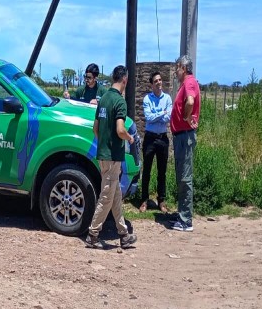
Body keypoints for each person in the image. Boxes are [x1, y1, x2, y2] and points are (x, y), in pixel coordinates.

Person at [86, 65, 138, 249]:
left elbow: (95, 129)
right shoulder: (119, 101)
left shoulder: (104, 99)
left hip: (102, 156)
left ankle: (123, 234)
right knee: (106, 196)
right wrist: (129, 138)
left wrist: (105, 143)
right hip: (113, 157)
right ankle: (93, 234)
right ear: (124, 80)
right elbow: (120, 129)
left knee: (115, 195)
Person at [170, 55, 201, 232]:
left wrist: (186, 116)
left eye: (177, 67)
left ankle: (185, 220)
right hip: (181, 136)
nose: (175, 71)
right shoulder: (187, 83)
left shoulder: (189, 82)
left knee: (185, 177)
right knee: (182, 175)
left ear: (183, 67)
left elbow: (190, 101)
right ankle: (183, 213)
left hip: (184, 136)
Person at [140, 71, 172, 212]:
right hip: (150, 138)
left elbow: (168, 118)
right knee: (146, 170)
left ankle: (161, 200)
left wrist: (158, 115)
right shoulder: (147, 99)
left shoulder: (168, 98)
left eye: (160, 80)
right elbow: (148, 118)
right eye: (156, 81)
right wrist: (162, 113)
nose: (159, 83)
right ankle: (144, 200)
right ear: (151, 84)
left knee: (162, 171)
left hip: (162, 138)